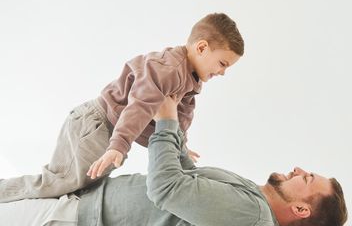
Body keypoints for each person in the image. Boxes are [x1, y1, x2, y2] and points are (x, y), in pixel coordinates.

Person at [0, 96, 348, 226]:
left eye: (307, 178)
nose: (299, 169)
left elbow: (165, 188)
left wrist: (166, 121)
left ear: (301, 209)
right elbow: (185, 181)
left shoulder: (251, 216)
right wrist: (176, 133)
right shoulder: (251, 198)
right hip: (78, 207)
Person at [0, 12, 244, 203]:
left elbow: (180, 115)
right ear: (201, 48)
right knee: (56, 184)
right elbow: (139, 105)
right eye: (222, 64)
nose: (222, 72)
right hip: (97, 124)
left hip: (112, 133)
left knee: (78, 190)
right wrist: (119, 145)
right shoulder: (168, 69)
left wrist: (180, 144)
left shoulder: (191, 78)